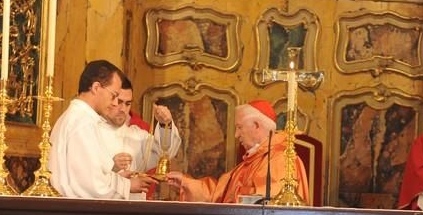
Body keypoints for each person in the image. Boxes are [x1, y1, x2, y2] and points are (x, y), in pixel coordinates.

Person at [166, 100, 309, 204]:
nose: (236, 135)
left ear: (256, 126)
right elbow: (219, 193)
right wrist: (187, 183)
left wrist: (236, 194)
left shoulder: (280, 159)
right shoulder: (252, 161)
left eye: (239, 127)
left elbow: (265, 201)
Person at [49, 60, 154, 199]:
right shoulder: (82, 122)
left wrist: (118, 178)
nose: (115, 103)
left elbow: (91, 174)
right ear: (96, 88)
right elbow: (90, 185)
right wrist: (127, 185)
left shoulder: (79, 117)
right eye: (114, 95)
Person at [99, 76, 181, 200]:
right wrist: (112, 166)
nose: (123, 109)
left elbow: (165, 152)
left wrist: (165, 124)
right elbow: (84, 177)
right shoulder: (91, 131)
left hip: (133, 211)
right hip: (100, 211)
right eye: (119, 102)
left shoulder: (136, 135)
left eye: (127, 104)